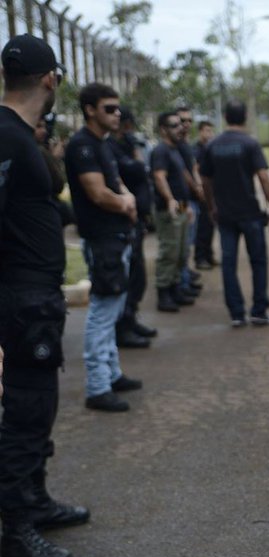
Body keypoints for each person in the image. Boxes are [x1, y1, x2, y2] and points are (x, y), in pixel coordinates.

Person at [0, 33, 89, 557]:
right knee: (27, 411)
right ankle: (16, 530)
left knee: (39, 404)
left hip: (34, 295)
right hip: (23, 296)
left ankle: (34, 501)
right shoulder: (7, 137)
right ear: (50, 79)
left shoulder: (17, 134)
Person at [65, 82, 144, 414]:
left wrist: (127, 197)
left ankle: (110, 374)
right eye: (109, 108)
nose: (116, 114)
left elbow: (115, 183)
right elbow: (98, 194)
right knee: (102, 311)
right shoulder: (83, 146)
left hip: (117, 238)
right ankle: (98, 385)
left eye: (117, 108)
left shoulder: (104, 144)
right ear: (90, 110)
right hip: (103, 239)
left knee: (112, 309)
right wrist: (125, 202)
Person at [199, 99, 269, 327]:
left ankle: (236, 313)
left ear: (225, 117)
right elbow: (263, 177)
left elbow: (205, 179)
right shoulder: (250, 144)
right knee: (258, 262)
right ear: (244, 117)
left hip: (225, 214)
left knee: (228, 262)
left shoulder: (213, 146)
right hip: (250, 212)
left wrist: (212, 205)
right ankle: (259, 310)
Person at [110, 106, 157, 348]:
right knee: (128, 275)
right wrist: (137, 155)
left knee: (138, 275)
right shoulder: (111, 147)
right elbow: (137, 170)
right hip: (124, 220)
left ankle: (131, 318)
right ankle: (123, 326)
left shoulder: (128, 145)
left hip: (138, 218)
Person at [150, 111, 195, 313]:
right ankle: (164, 292)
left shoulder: (174, 149)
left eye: (180, 124)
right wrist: (170, 200)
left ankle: (176, 288)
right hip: (169, 209)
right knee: (169, 250)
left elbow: (183, 175)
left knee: (181, 251)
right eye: (174, 125)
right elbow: (160, 177)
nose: (180, 128)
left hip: (182, 206)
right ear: (163, 130)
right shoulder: (160, 151)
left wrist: (190, 202)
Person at [174, 105, 203, 294]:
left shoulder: (186, 145)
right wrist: (197, 187)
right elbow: (184, 172)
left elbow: (193, 168)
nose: (186, 124)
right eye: (181, 121)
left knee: (188, 241)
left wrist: (198, 187)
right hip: (181, 201)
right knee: (181, 242)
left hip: (191, 199)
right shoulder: (173, 146)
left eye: (189, 120)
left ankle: (184, 277)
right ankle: (180, 283)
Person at [192, 119, 218, 269]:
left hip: (211, 192)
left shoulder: (209, 147)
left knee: (210, 225)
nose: (210, 134)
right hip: (201, 193)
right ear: (200, 131)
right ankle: (200, 258)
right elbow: (195, 168)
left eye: (211, 130)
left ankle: (208, 255)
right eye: (207, 130)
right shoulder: (196, 148)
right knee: (202, 226)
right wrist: (199, 186)